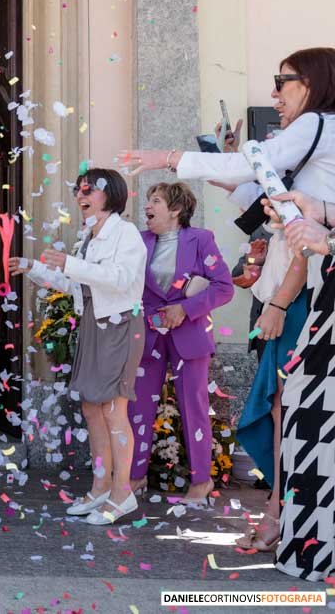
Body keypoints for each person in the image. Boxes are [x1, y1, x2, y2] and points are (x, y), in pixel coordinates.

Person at [125, 48, 335, 557]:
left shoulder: (314, 125)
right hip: (294, 291)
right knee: (289, 413)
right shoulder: (312, 139)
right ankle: (282, 517)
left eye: (282, 81)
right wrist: (222, 161)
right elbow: (254, 195)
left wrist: (171, 158)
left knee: (289, 412)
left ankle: (282, 520)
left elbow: (294, 226)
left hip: (305, 295)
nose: (274, 93)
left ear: (311, 81)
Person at [9, 168, 146, 525]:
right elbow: (74, 284)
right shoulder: (88, 235)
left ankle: (122, 493)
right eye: (77, 188)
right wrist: (33, 266)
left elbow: (121, 279)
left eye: (88, 189)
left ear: (110, 194)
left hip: (119, 326)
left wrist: (72, 263)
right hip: (91, 326)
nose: (80, 195)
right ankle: (101, 485)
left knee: (114, 411)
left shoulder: (125, 233)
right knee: (91, 409)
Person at [128, 182, 233, 505]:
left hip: (190, 337)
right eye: (148, 201)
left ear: (175, 210)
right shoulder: (139, 241)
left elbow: (224, 287)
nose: (148, 207)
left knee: (194, 408)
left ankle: (201, 482)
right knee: (137, 409)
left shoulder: (200, 240)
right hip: (147, 337)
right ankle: (134, 477)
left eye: (155, 201)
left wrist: (184, 310)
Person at [258, 189, 335, 582]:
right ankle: (310, 548)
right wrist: (278, 304)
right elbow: (305, 258)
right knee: (304, 433)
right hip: (320, 340)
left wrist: (328, 238)